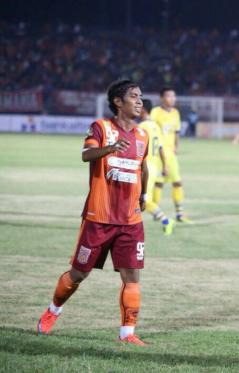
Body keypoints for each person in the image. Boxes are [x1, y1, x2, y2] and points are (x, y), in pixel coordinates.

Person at [37, 80, 150, 346]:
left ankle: (127, 334)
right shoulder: (101, 128)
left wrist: (143, 195)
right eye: (133, 96)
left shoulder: (144, 136)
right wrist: (110, 149)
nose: (140, 101)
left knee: (132, 276)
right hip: (98, 219)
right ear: (118, 102)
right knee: (78, 274)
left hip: (131, 220)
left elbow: (143, 167)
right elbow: (86, 154)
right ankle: (53, 311)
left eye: (141, 97)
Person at [150, 87, 192, 223]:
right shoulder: (155, 112)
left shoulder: (176, 113)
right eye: (169, 96)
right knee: (159, 184)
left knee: (177, 182)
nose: (172, 99)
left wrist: (176, 147)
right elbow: (152, 131)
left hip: (171, 153)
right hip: (159, 154)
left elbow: (177, 132)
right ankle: (156, 212)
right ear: (162, 98)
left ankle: (180, 213)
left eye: (174, 96)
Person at [139, 99, 175, 234]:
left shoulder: (142, 127)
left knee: (144, 200)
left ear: (142, 110)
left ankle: (166, 220)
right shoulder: (155, 126)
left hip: (145, 167)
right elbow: (160, 147)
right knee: (138, 198)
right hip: (154, 166)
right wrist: (164, 165)